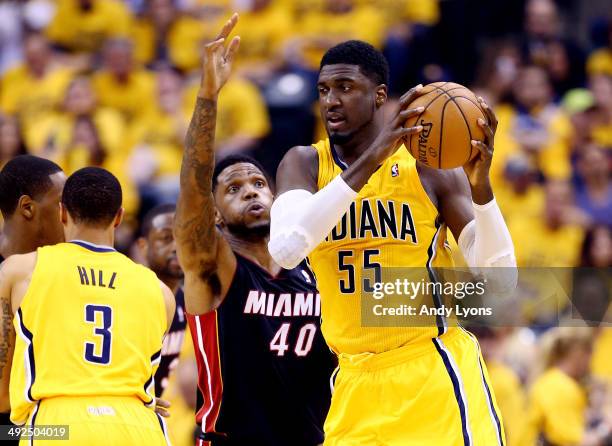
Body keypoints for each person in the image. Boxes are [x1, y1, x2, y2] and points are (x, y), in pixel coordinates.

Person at [268, 40, 517, 444]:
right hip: (354, 381)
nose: (331, 100)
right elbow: (286, 250)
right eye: (324, 90)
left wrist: (482, 190)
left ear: (379, 96)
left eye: (346, 88)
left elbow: (502, 281)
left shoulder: (428, 169)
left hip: (431, 371)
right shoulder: (305, 164)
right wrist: (373, 158)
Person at [174, 14, 335, 446]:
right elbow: (191, 191)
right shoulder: (216, 268)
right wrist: (208, 95)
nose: (251, 192)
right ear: (215, 215)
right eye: (234, 188)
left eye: (259, 184)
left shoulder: (312, 270)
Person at [0, 166, 175, 444]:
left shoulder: (19, 271)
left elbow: (2, 395)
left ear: (62, 213)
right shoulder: (161, 292)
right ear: (118, 217)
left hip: (60, 426)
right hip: (140, 427)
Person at [0, 155, 65, 445]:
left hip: (49, 426)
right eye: (62, 204)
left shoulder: (66, 269)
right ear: (28, 208)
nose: (71, 215)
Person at [137, 203, 186, 397]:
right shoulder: (132, 295)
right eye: (166, 238)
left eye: (182, 238)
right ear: (143, 246)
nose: (176, 246)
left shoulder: (187, 299)